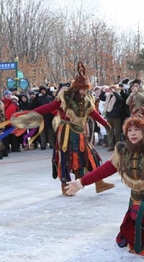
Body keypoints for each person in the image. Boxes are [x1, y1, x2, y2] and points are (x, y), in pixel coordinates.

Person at [65, 115, 144, 255]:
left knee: (143, 213)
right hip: (136, 198)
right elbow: (104, 170)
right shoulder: (123, 152)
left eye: (137, 129)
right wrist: (80, 183)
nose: (133, 133)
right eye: (130, 130)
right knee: (131, 226)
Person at [31, 62, 115, 196]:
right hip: (65, 132)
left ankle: (99, 182)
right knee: (65, 158)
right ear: (76, 88)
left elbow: (93, 113)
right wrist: (33, 112)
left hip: (80, 132)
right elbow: (50, 107)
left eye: (86, 89)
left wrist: (105, 123)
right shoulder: (65, 97)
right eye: (82, 89)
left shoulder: (87, 99)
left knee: (92, 155)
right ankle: (65, 185)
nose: (84, 92)